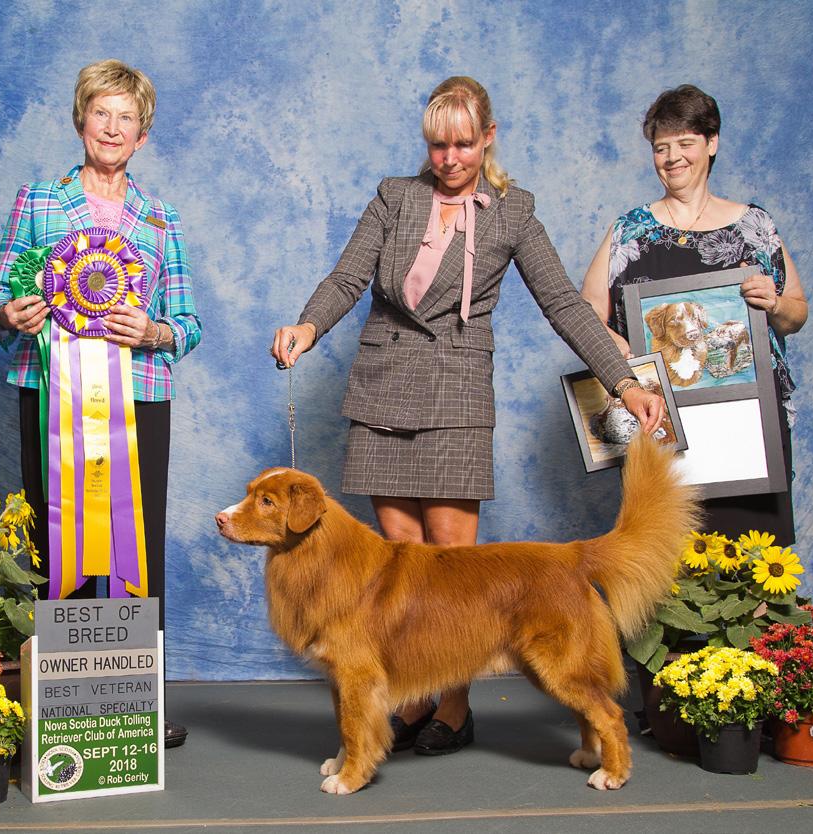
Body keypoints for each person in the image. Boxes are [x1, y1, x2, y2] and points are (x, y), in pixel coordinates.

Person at [273, 76, 664, 756]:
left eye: (461, 144)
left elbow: (564, 304)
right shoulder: (395, 197)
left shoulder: (513, 213)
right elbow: (346, 277)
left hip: (456, 396)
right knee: (399, 567)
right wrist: (308, 326)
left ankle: (453, 706)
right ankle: (413, 698)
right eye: (437, 145)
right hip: (381, 389)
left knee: (452, 569)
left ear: (487, 138)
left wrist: (623, 380)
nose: (449, 158)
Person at [0, 59, 201, 748]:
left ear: (142, 135)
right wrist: (11, 312)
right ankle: (67, 702)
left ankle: (138, 705)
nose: (111, 128)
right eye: (101, 113)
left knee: (139, 550)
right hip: (52, 394)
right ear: (81, 121)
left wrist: (154, 331)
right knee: (58, 544)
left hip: (141, 396)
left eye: (125, 118)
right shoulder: (37, 201)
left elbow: (188, 323)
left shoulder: (162, 219)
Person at [581, 84, 807, 544]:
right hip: (660, 423)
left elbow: (796, 314)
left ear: (712, 142)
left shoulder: (755, 226)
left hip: (748, 425)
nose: (672, 158)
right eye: (661, 147)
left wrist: (775, 303)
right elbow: (584, 312)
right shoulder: (629, 231)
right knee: (664, 559)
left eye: (685, 143)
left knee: (755, 558)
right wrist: (613, 343)